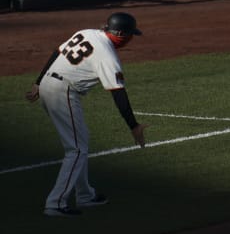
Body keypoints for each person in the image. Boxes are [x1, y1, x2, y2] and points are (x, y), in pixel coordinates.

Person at [26, 12, 148, 217]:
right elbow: (118, 93)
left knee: (80, 144)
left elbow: (58, 52)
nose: (130, 39)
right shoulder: (107, 54)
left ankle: (84, 194)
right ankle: (55, 204)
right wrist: (133, 126)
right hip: (61, 91)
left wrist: (39, 82)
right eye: (129, 35)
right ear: (119, 34)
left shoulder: (88, 33)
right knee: (77, 149)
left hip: (50, 84)